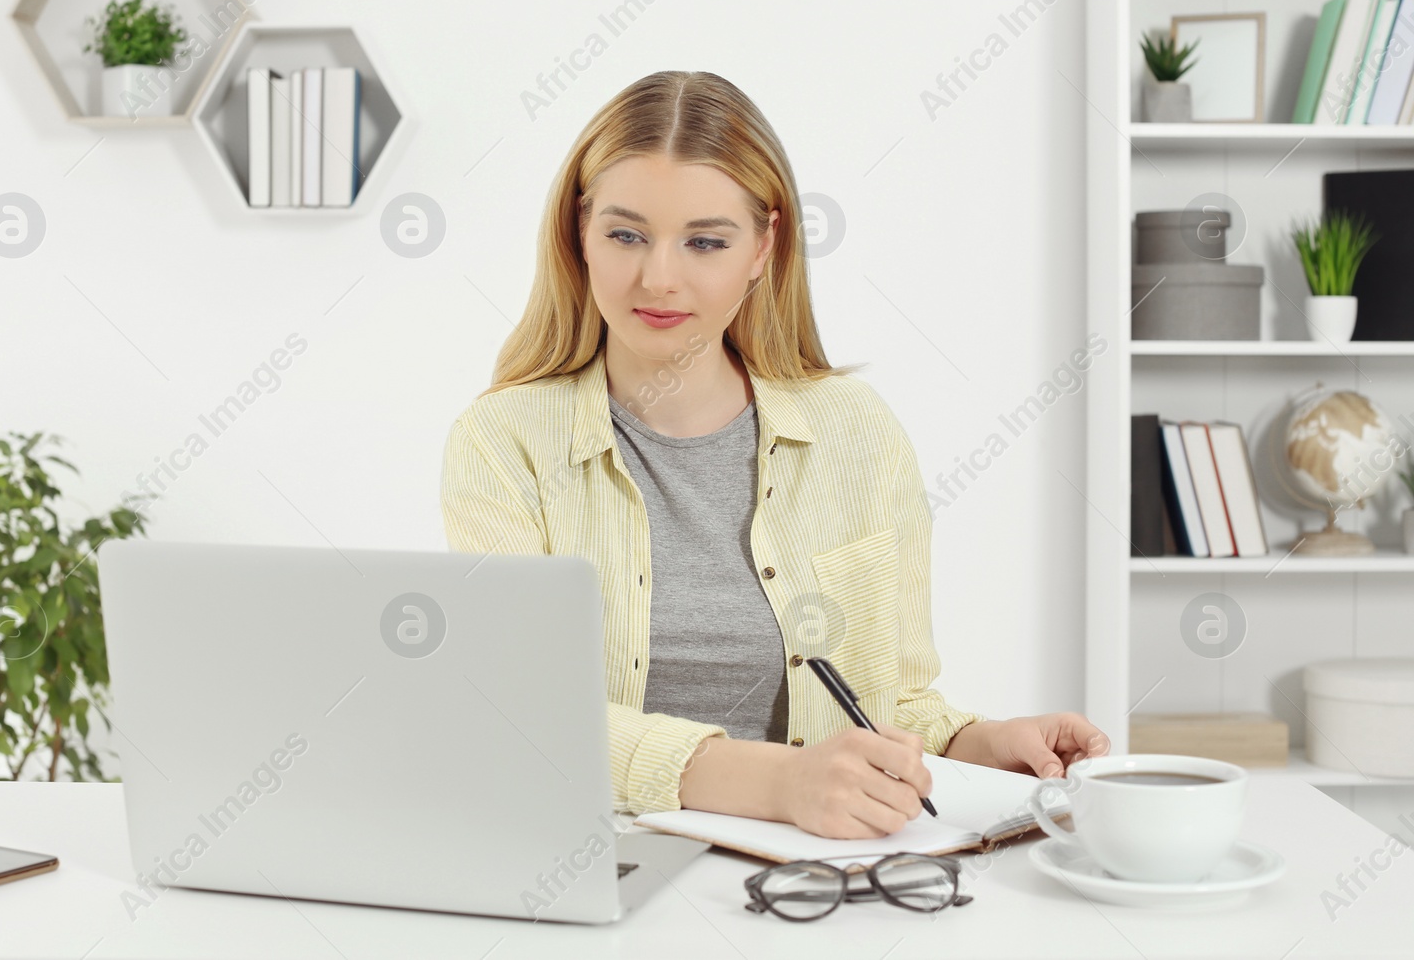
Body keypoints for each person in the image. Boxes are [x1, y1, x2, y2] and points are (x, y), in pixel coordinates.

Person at [440, 70, 1108, 840]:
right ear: (579, 235)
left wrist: (979, 744)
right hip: (594, 862)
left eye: (705, 241)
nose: (658, 276)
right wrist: (781, 783)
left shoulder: (858, 432)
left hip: (814, 882)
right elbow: (527, 716)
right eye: (625, 234)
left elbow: (892, 703)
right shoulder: (504, 442)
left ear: (765, 245)